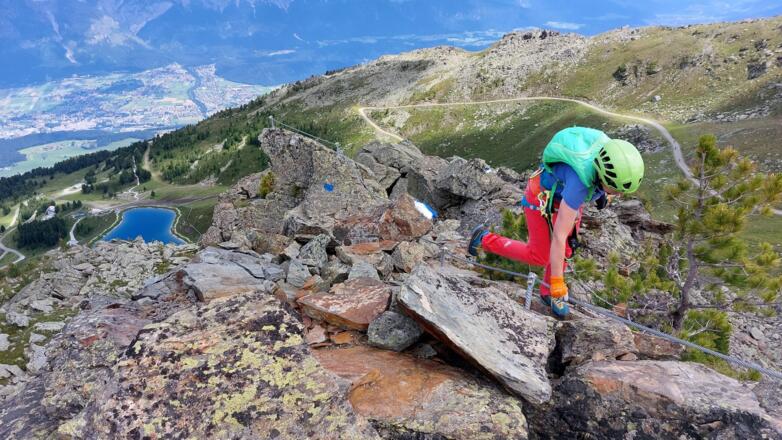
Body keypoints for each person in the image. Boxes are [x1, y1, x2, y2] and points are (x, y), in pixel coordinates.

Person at [468, 126, 644, 318]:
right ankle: (484, 239)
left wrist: (604, 193)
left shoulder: (607, 157)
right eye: (614, 189)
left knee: (567, 248)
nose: (617, 195)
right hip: (540, 198)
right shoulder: (579, 184)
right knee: (540, 256)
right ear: (601, 173)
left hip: (564, 197)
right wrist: (558, 283)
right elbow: (558, 236)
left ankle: (547, 291)